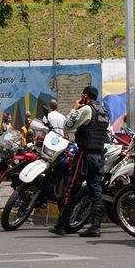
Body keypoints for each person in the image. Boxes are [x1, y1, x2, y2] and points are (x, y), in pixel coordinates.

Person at [50, 86, 111, 238]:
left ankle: (61, 225)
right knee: (96, 190)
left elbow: (68, 125)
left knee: (71, 188)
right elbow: (107, 136)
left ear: (85, 95)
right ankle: (95, 227)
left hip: (85, 155)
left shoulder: (87, 109)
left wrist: (75, 109)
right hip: (98, 156)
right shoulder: (103, 112)